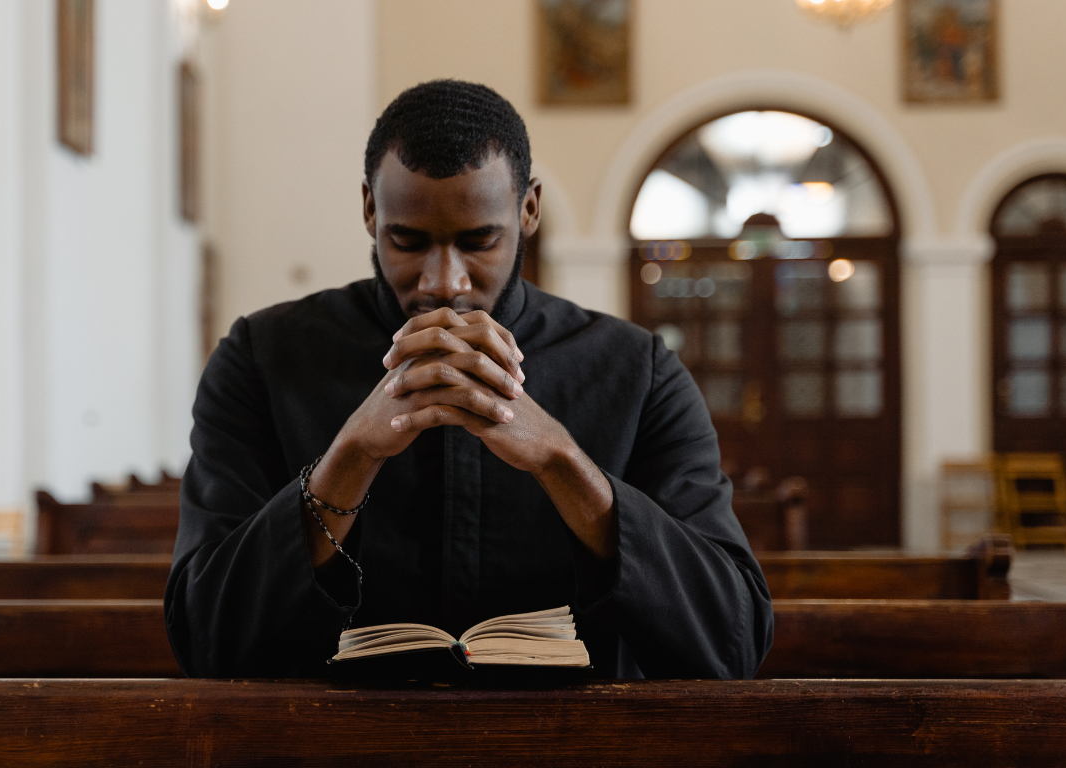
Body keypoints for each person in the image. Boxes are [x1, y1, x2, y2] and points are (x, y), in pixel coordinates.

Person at [164, 79, 773, 679]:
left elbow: (732, 643)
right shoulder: (262, 357)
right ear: (370, 208)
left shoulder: (637, 370)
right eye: (407, 240)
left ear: (528, 208)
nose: (444, 282)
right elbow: (205, 640)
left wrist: (561, 461)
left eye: (479, 241)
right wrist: (351, 455)